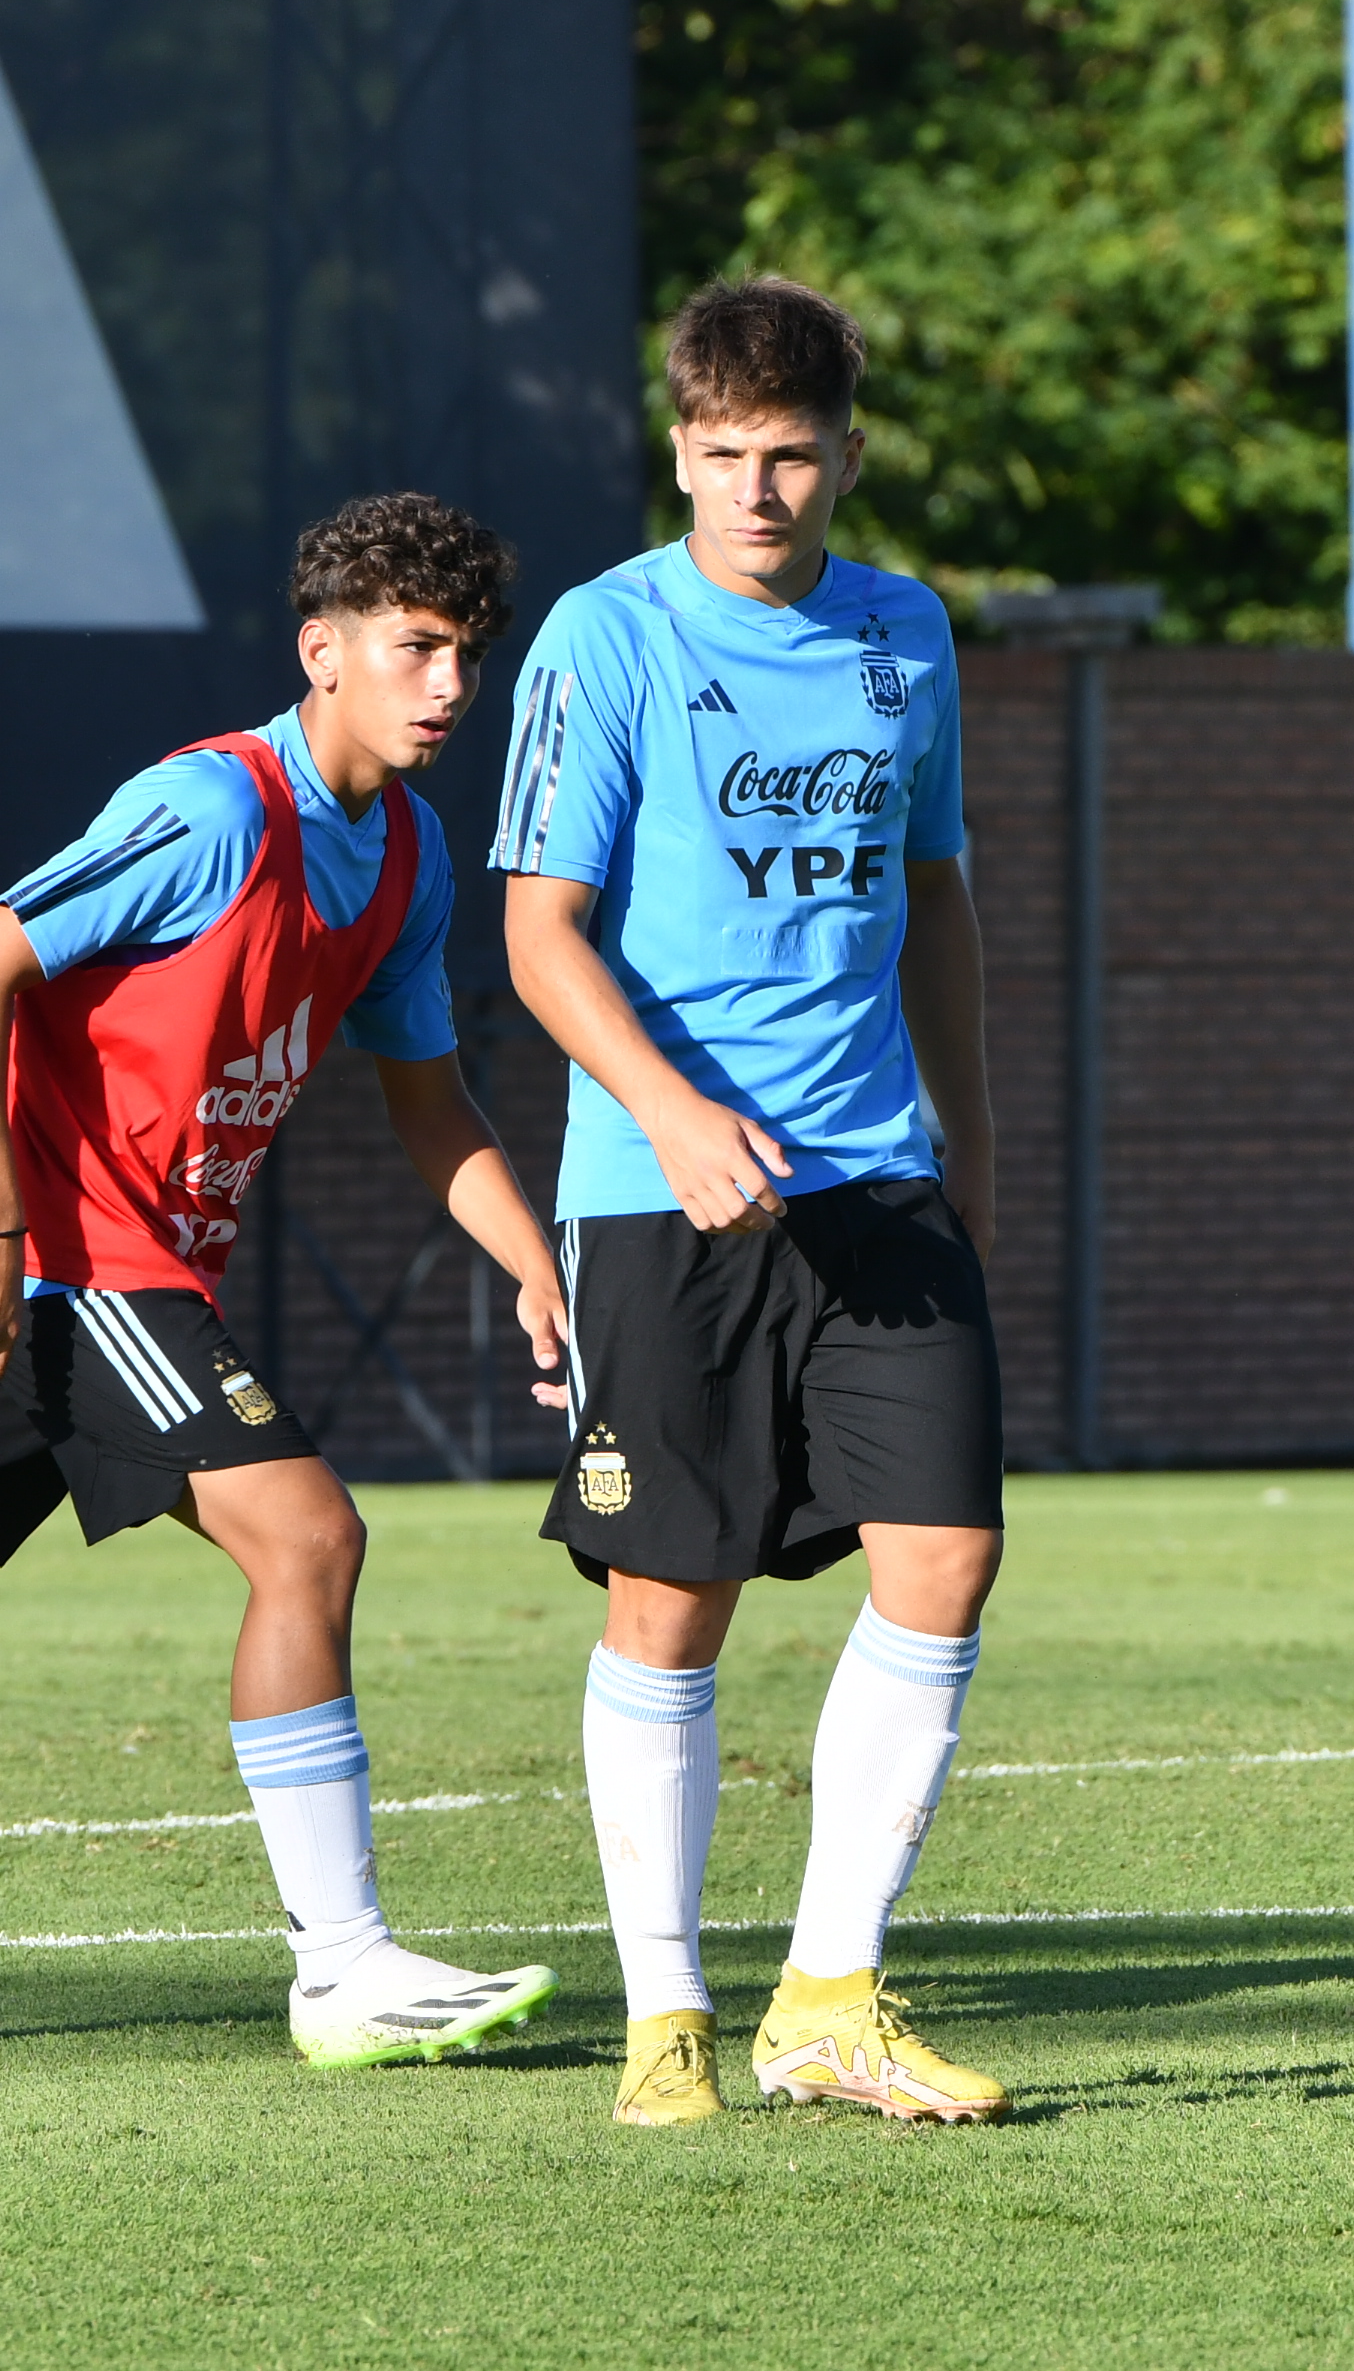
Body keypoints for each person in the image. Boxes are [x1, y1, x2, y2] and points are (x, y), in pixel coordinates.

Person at [493, 276, 1009, 2128]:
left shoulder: (905, 637)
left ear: (848, 456)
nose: (760, 492)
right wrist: (672, 1108)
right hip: (661, 1189)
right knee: (671, 1598)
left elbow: (933, 896)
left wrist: (976, 1139)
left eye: (793, 456)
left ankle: (830, 1997)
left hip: (876, 1172)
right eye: (723, 456)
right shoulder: (602, 638)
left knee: (945, 1557)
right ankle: (665, 2021)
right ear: (681, 450)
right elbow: (538, 936)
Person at [0, 496, 566, 2067]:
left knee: (304, 1546)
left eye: (466, 655)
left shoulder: (404, 851)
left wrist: (536, 1271)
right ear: (325, 655)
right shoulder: (210, 811)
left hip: (124, 1273)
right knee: (309, 1536)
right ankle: (346, 1966)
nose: (449, 686)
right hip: (74, 1264)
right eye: (415, 650)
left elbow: (429, 1099)